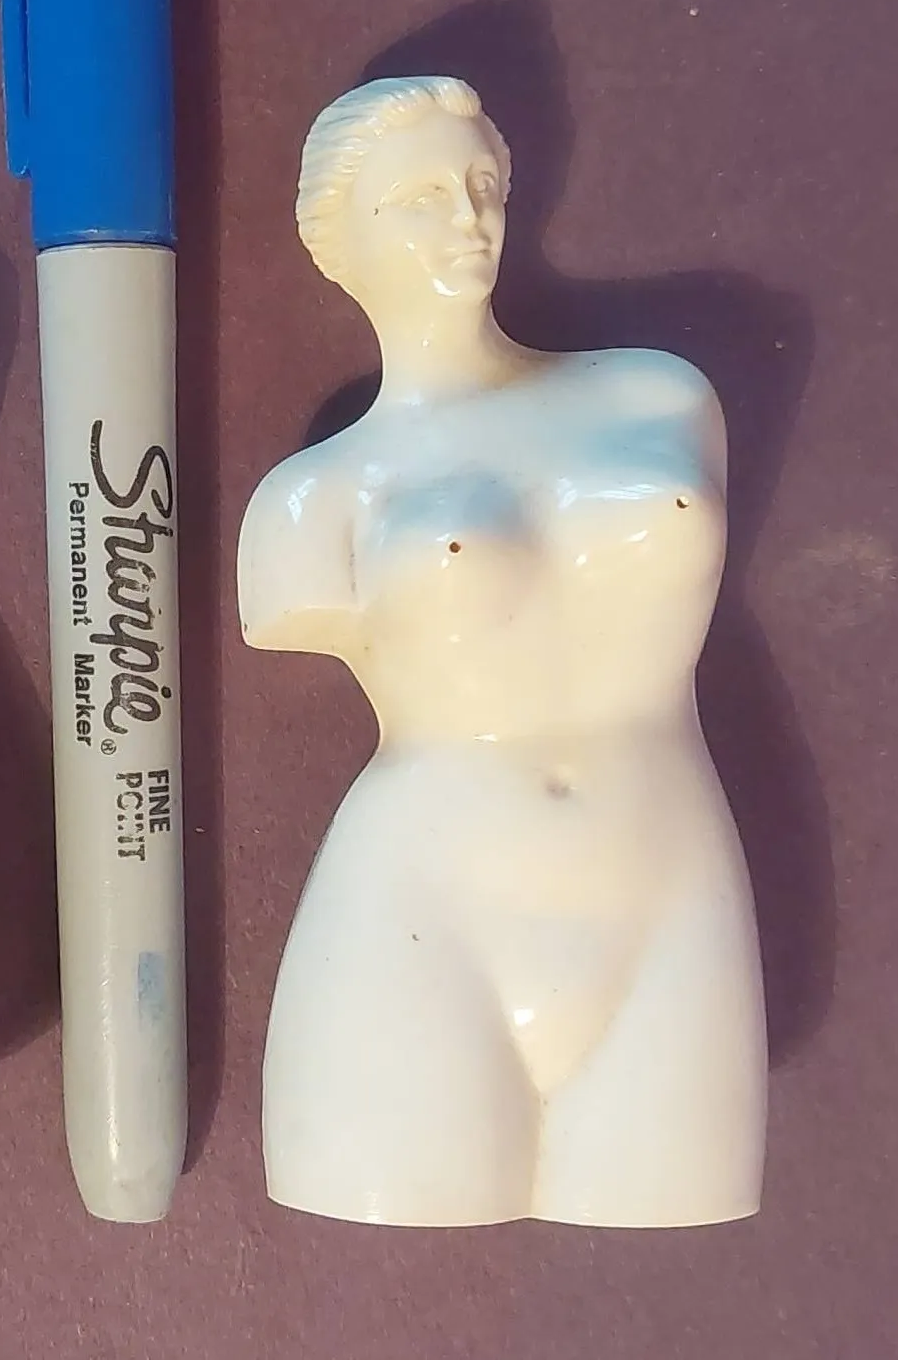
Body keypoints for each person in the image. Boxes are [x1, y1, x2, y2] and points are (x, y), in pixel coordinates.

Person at [238, 76, 765, 1226]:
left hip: (670, 889)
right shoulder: (307, 503)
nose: (468, 218)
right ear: (340, 241)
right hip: (423, 914)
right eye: (421, 197)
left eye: (481, 183)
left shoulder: (659, 399)